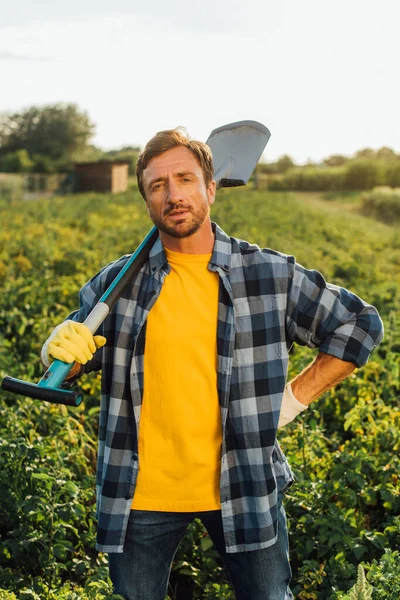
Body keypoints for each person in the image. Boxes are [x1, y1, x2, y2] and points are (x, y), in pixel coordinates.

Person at [41, 128, 384, 600]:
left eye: (185, 178)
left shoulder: (269, 275)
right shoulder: (117, 284)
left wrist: (292, 400)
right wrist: (56, 349)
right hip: (139, 493)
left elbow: (360, 324)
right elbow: (73, 355)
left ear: (211, 188)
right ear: (146, 200)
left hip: (243, 482)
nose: (173, 193)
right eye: (157, 185)